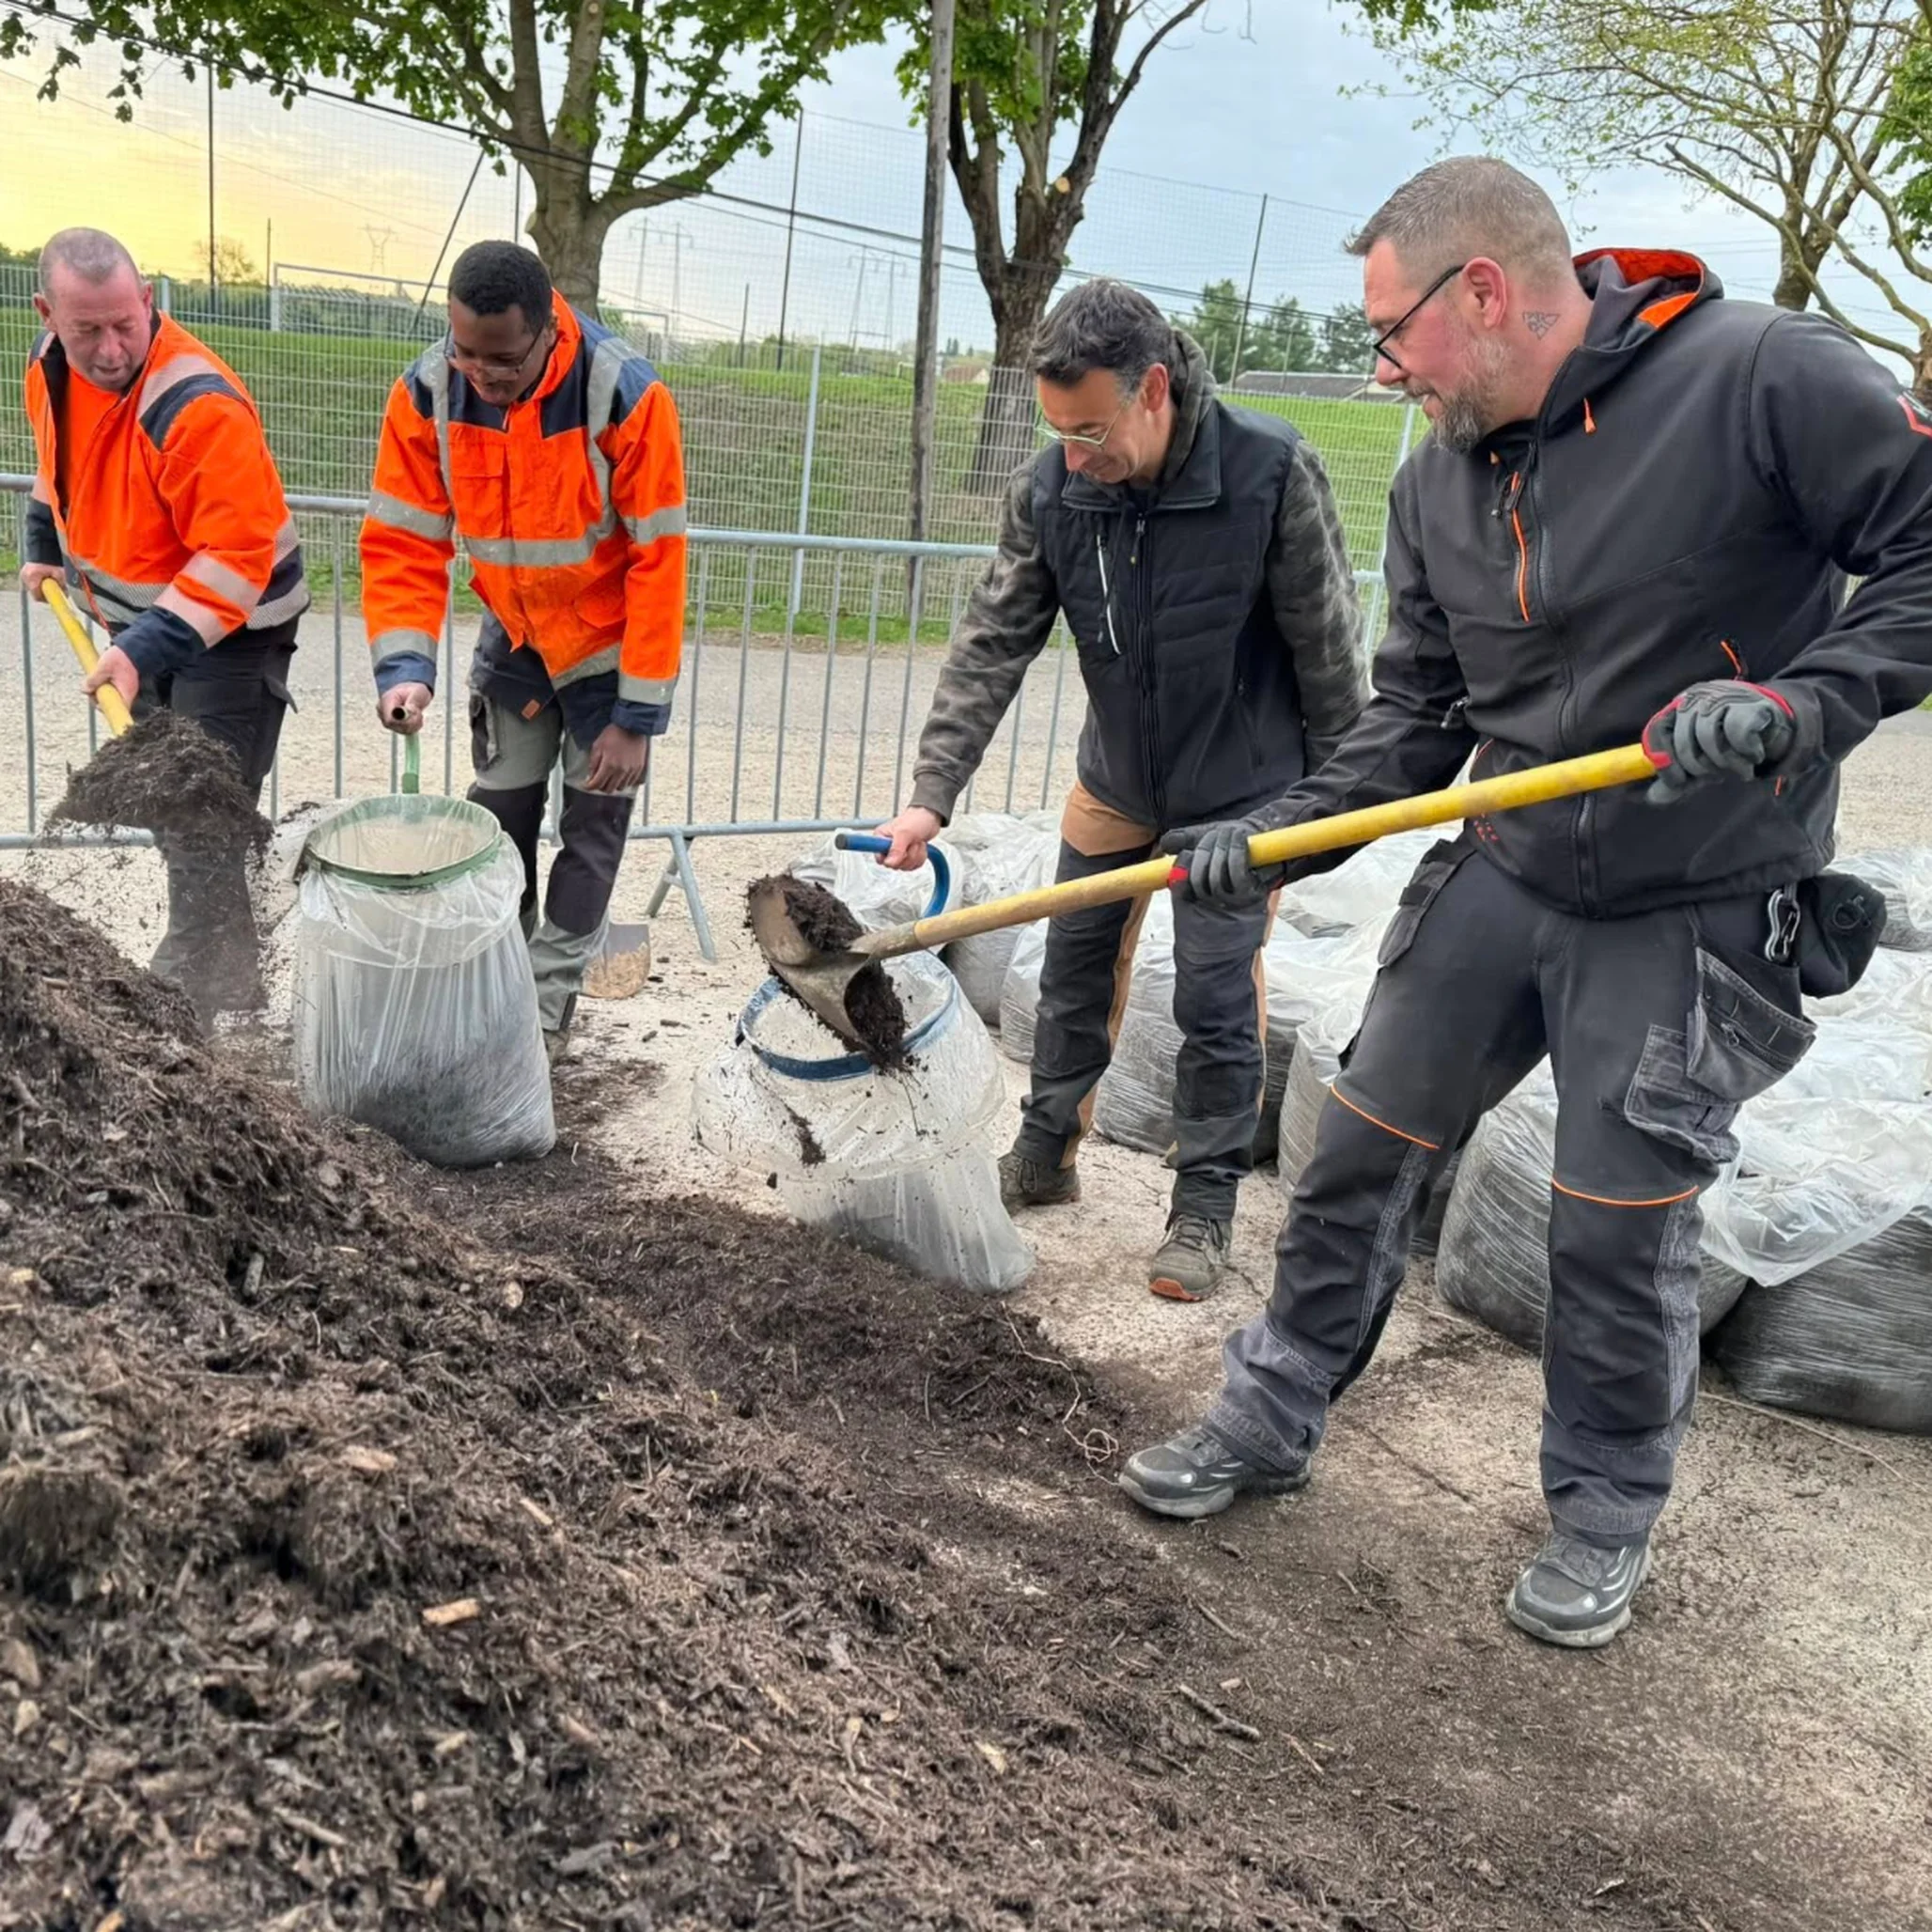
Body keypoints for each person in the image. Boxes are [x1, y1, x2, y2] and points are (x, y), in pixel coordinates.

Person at [1118, 156, 1932, 1649]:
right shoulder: (1441, 472)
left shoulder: (1760, 377)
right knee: (1358, 1145)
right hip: (1509, 860)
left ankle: (1606, 1509)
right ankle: (1271, 1413)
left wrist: (1804, 702)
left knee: (1617, 1225)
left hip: (1694, 895)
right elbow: (1418, 711)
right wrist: (1279, 834)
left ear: (1481, 292)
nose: (1384, 368)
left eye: (1392, 331)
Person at [874, 279, 1366, 1301]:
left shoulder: (1269, 472)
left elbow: (1328, 652)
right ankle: (1045, 1150)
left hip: (1245, 792)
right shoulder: (1057, 489)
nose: (1073, 454)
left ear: (1154, 391)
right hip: (1118, 777)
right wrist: (932, 792)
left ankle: (1204, 1205)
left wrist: (1331, 813)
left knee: (1216, 995)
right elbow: (993, 639)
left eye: (1092, 429)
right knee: (1074, 968)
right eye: (1057, 431)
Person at [360, 241, 687, 1059]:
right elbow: (404, 540)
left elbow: (659, 561)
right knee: (499, 810)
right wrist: (405, 669)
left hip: (609, 652)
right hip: (514, 634)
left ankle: (540, 1017)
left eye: (501, 359)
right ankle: (495, 982)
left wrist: (636, 717)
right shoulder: (428, 393)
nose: (479, 373)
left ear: (548, 328)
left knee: (594, 827)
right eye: (463, 349)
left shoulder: (627, 396)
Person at [23, 226, 309, 1022]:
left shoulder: (195, 405)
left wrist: (138, 650)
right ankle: (225, 974)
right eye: (88, 331)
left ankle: (199, 980)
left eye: (126, 323)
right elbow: (56, 471)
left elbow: (235, 556)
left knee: (201, 808)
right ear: (48, 314)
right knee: (175, 807)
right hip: (141, 626)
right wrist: (44, 546)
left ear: (149, 299)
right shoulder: (49, 375)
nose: (111, 348)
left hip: (237, 623)